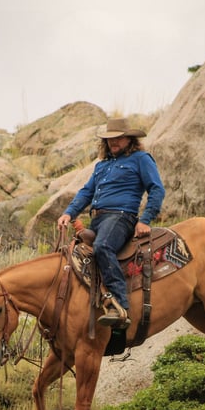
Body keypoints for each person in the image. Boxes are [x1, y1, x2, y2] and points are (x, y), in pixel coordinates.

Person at [57, 117, 166, 328]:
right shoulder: (101, 166)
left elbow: (157, 189)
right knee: (75, 256)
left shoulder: (141, 159)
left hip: (121, 216)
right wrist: (69, 213)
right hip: (97, 219)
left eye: (119, 138)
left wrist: (144, 220)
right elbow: (86, 192)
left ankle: (120, 306)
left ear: (129, 139)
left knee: (103, 247)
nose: (113, 142)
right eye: (109, 139)